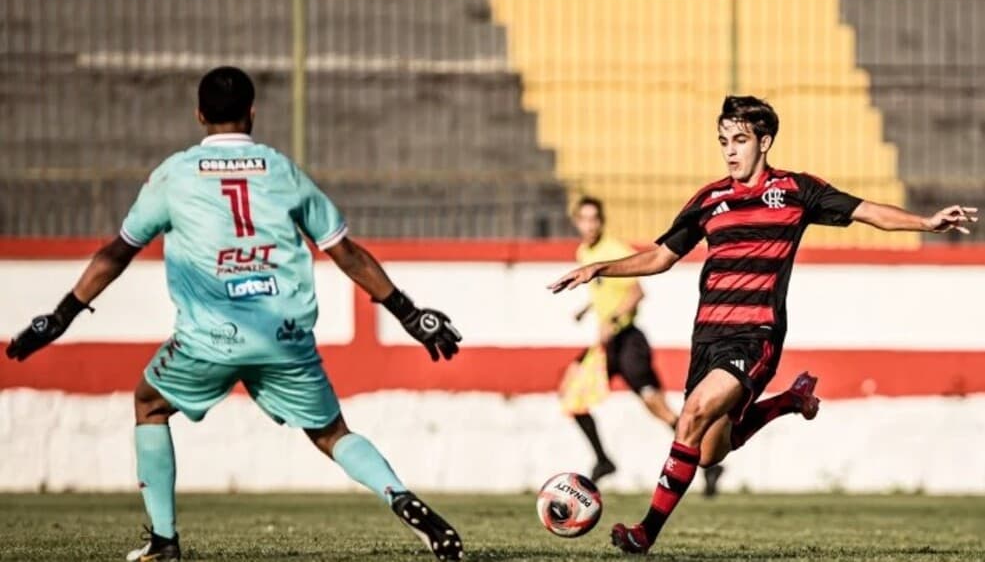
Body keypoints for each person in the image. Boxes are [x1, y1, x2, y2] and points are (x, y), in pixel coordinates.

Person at [5, 67, 465, 562]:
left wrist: (61, 316)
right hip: (284, 333)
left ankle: (164, 540)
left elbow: (116, 254)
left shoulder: (174, 174)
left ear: (200, 114)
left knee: (150, 406)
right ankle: (403, 499)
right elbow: (345, 251)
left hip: (210, 338)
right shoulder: (281, 169)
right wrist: (408, 313)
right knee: (333, 433)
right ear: (252, 112)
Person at [549, 95, 977, 554]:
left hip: (756, 337)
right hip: (708, 339)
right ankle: (790, 400)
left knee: (690, 418)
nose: (730, 150)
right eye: (723, 141)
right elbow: (659, 257)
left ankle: (644, 532)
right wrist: (600, 268)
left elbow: (866, 211)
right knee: (710, 449)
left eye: (739, 140)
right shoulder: (709, 200)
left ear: (764, 141)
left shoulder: (797, 191)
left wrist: (927, 223)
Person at [563, 196, 724, 496]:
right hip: (609, 344)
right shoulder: (584, 251)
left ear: (602, 220)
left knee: (656, 406)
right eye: (584, 219)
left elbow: (636, 291)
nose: (590, 225)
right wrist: (587, 309)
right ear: (576, 221)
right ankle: (602, 459)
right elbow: (605, 289)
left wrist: (611, 319)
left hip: (627, 342)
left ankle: (704, 459)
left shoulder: (612, 250)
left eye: (594, 218)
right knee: (573, 396)